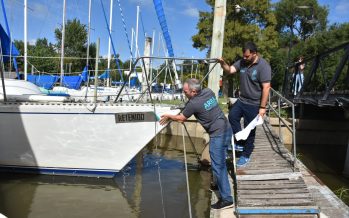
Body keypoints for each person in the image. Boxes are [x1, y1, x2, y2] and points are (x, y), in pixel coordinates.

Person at [159, 78, 234, 210]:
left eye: (185, 91)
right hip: (227, 128)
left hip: (218, 134)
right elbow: (193, 106)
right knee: (220, 161)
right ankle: (218, 184)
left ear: (194, 91)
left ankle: (227, 199)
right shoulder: (208, 92)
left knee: (218, 165)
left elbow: (182, 118)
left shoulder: (194, 103)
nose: (184, 93)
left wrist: (169, 116)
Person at [218, 41, 271, 167]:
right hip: (242, 100)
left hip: (254, 104)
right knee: (232, 117)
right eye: (243, 55)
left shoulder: (263, 66)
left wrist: (262, 108)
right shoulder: (242, 62)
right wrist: (223, 63)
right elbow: (230, 70)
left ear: (254, 54)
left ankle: (246, 155)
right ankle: (240, 142)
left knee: (249, 129)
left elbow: (266, 88)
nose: (244, 58)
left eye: (247, 56)